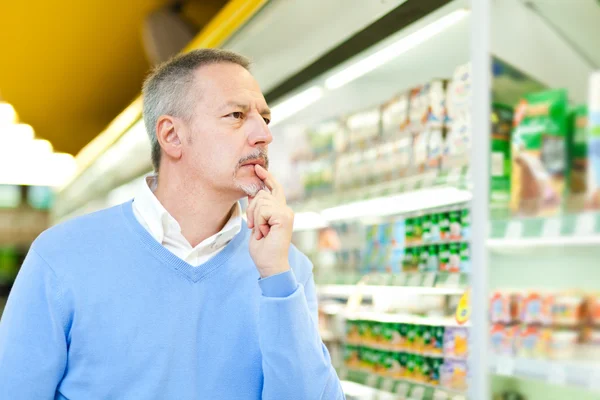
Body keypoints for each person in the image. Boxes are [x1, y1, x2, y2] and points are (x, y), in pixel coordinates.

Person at [0, 48, 345, 400]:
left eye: (265, 119)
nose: (263, 134)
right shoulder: (62, 257)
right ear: (172, 136)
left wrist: (276, 278)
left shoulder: (287, 271)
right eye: (236, 115)